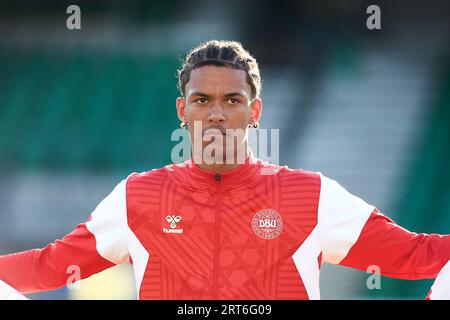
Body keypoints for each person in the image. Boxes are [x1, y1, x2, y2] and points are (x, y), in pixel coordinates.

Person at [0, 40, 449, 300]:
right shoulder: (138, 197)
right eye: (202, 100)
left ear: (254, 111)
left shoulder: (310, 197)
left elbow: (415, 256)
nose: (217, 114)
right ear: (183, 110)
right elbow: (49, 266)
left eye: (232, 100)